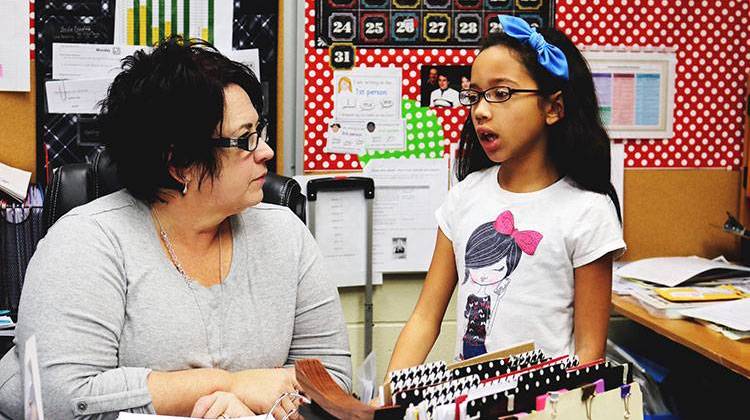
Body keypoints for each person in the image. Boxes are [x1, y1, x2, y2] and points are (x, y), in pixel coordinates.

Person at [0, 37, 351, 419]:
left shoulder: (285, 234)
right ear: (180, 163)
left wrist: (263, 407)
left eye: (260, 132)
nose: (265, 151)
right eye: (245, 139)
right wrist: (227, 385)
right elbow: (60, 398)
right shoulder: (86, 243)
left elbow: (332, 382)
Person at [387, 15, 624, 372]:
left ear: (553, 107)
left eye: (501, 94)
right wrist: (387, 397)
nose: (480, 111)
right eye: (475, 95)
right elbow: (424, 318)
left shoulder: (588, 212)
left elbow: (588, 354)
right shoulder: (464, 197)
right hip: (468, 405)